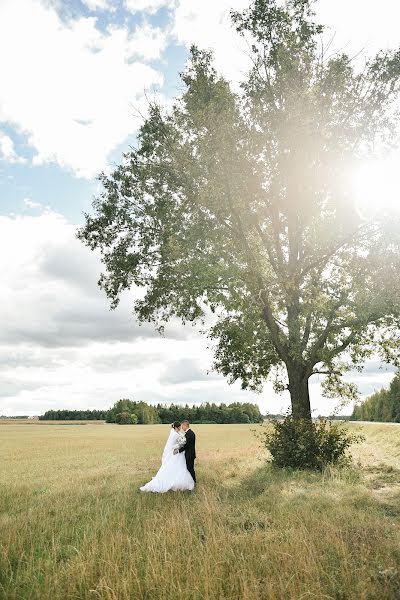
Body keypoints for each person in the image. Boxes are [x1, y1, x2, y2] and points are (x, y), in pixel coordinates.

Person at [139, 422, 195, 493]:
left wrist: (179, 447)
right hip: (176, 453)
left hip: (179, 452)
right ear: (176, 427)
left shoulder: (177, 433)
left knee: (179, 467)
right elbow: (173, 444)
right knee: (175, 467)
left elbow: (182, 443)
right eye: (179, 427)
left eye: (181, 427)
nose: (181, 429)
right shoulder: (174, 434)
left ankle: (179, 480)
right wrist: (178, 447)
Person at [174, 419, 196, 484]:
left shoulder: (189, 434)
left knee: (190, 469)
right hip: (190, 454)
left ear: (185, 425)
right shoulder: (189, 433)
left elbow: (187, 446)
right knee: (189, 468)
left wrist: (178, 450)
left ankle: (193, 482)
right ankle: (191, 481)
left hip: (189, 455)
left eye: (182, 426)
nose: (182, 428)